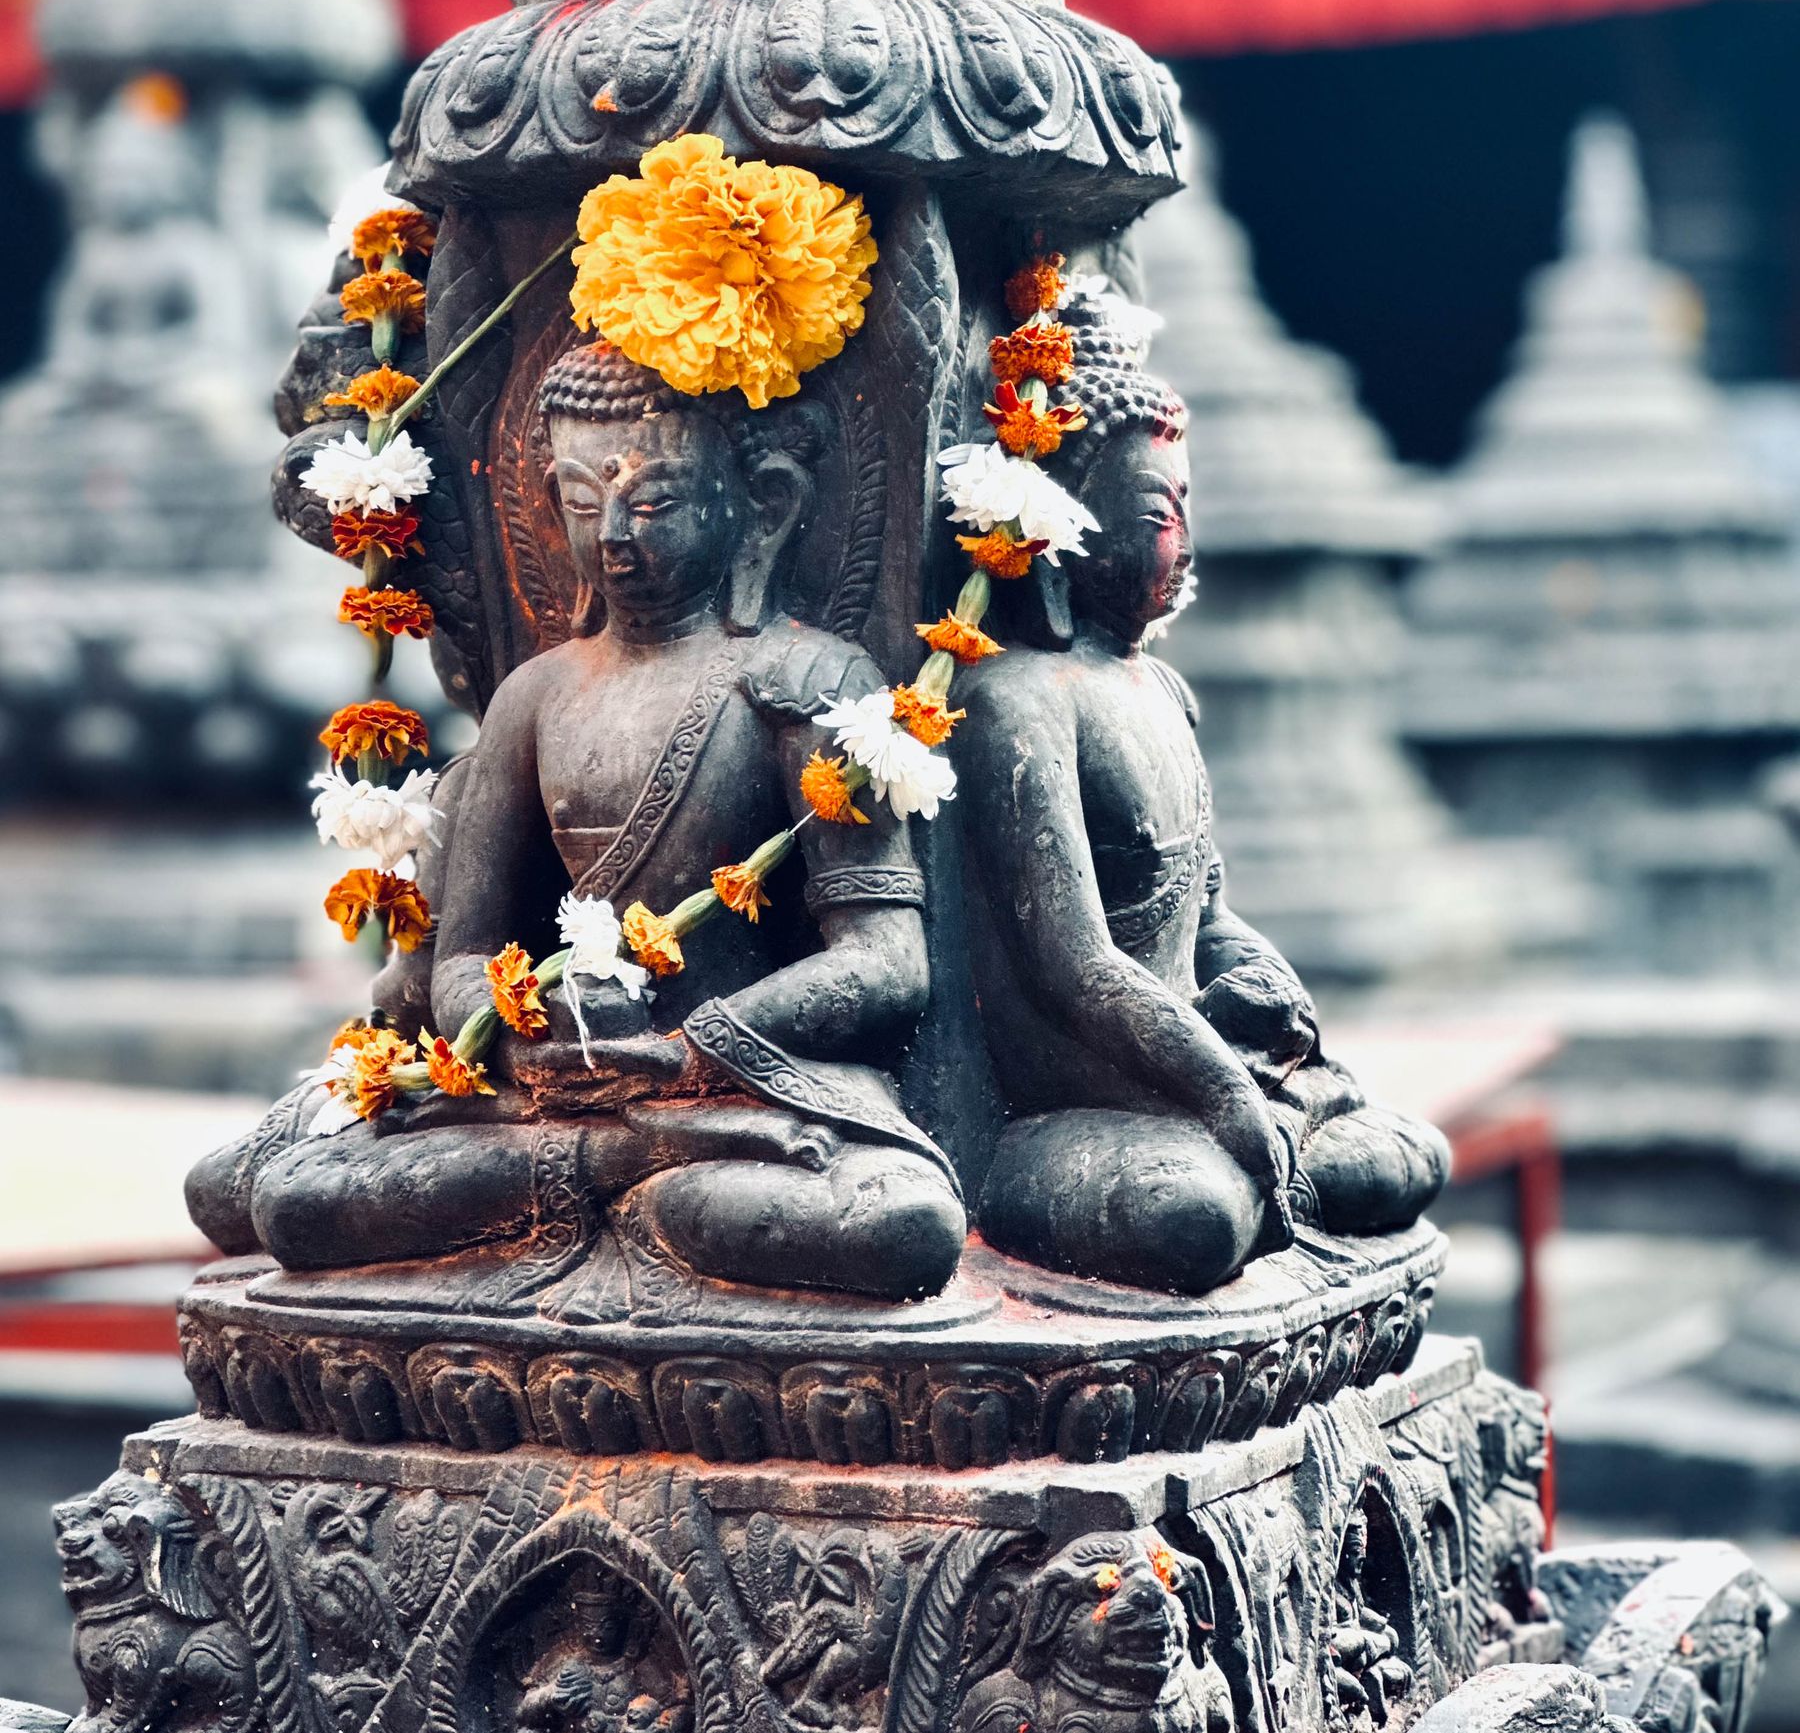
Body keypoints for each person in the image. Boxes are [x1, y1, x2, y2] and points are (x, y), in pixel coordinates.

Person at [187, 340, 965, 1307]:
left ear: (762, 502)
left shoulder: (808, 680)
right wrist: (526, 1017)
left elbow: (888, 959)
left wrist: (694, 1050)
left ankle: (624, 1187)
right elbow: (463, 955)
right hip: (556, 1093)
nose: (615, 542)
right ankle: (621, 1179)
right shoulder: (536, 695)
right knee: (293, 1199)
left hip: (746, 1089)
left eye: (654, 504)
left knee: (900, 1229)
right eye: (584, 505)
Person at [959, 293, 1448, 1295]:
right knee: (1196, 1217)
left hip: (1200, 1056)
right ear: (1064, 525)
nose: (1180, 533)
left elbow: (1209, 911)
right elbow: (1075, 964)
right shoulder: (1014, 700)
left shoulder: (1160, 690)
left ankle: (1275, 1155)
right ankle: (1259, 1164)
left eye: (1186, 505)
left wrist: (1277, 998)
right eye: (1153, 511)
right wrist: (1224, 1091)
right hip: (1086, 1094)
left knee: (1401, 1157)